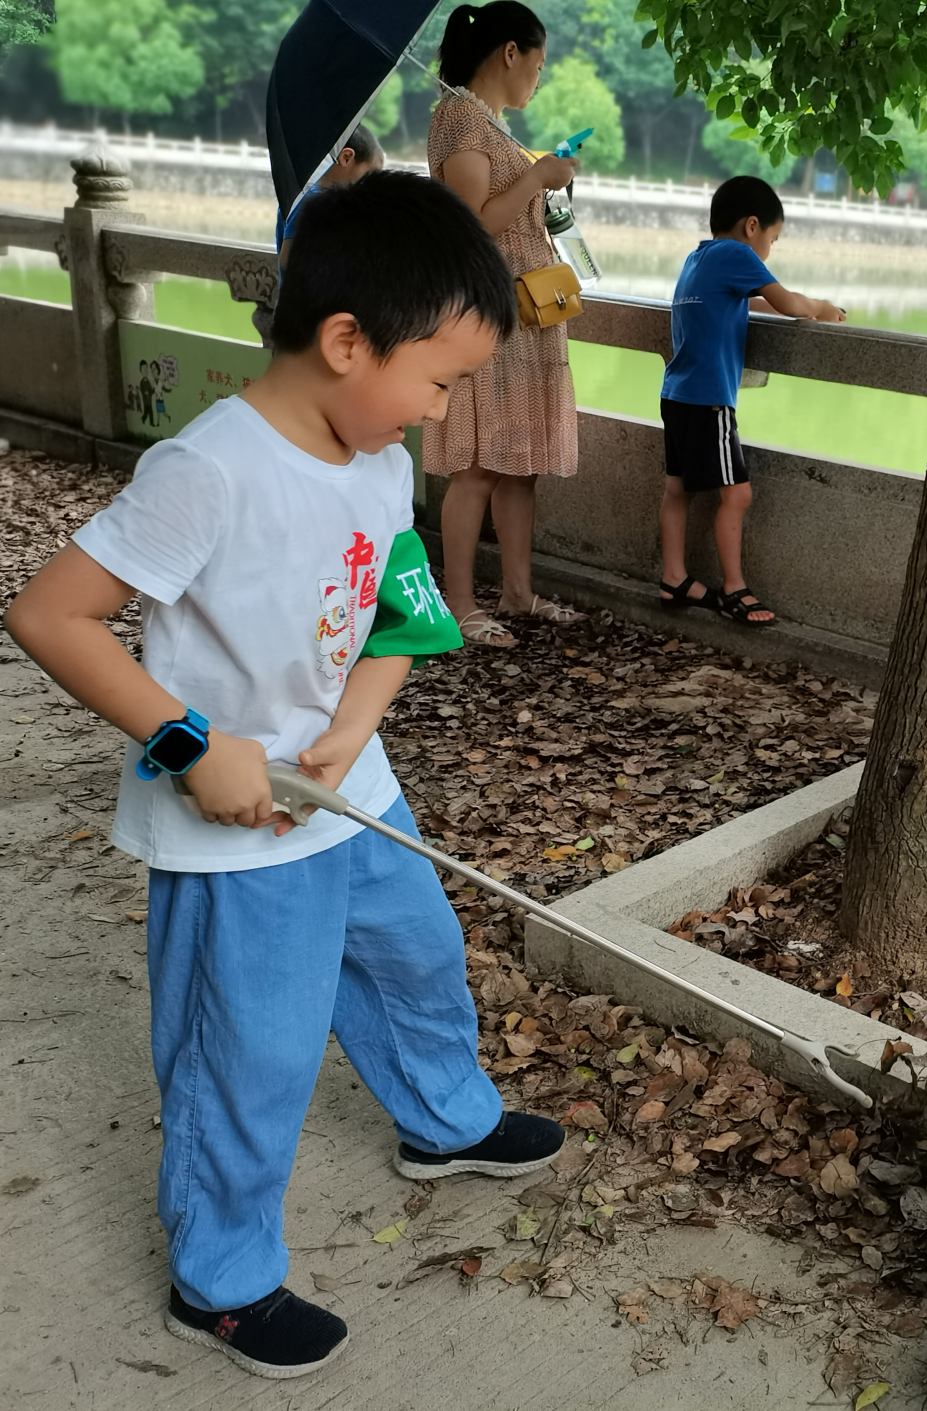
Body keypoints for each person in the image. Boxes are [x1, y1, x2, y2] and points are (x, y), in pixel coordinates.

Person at [4, 172, 567, 1380]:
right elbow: (51, 615)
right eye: (439, 381)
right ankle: (220, 1276)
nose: (439, 413)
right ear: (345, 340)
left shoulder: (371, 453)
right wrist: (192, 746)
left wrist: (358, 721)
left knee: (419, 957)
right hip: (238, 834)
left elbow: (401, 612)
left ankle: (445, 1120)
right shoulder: (210, 470)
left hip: (350, 795)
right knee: (243, 1050)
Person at [428, 0, 583, 647]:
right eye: (538, 63)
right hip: (488, 310)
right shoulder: (460, 117)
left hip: (527, 312)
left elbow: (509, 210)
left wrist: (545, 186)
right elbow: (469, 224)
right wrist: (538, 176)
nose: (537, 78)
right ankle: (459, 603)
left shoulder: (490, 124)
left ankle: (518, 592)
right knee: (477, 465)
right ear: (509, 53)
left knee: (520, 462)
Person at [658, 174, 846, 626]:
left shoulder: (700, 257)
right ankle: (735, 588)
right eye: (773, 239)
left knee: (677, 490)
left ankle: (674, 577)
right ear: (752, 226)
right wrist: (823, 308)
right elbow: (789, 305)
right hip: (710, 400)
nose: (769, 249)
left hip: (676, 393)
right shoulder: (738, 255)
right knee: (737, 495)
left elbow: (738, 304)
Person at [276, 124, 384, 266]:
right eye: (368, 175)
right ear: (346, 157)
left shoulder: (308, 192)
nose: (368, 186)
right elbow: (289, 258)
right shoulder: (311, 197)